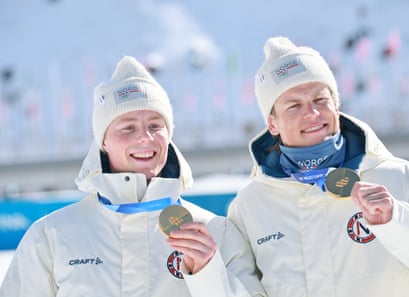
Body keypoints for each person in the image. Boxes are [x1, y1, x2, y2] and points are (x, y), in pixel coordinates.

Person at [0, 56, 265, 297]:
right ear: (103, 141)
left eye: (155, 126)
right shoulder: (51, 235)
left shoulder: (215, 231)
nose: (144, 138)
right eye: (128, 127)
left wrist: (207, 274)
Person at [227, 36, 409, 297]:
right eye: (294, 105)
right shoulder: (249, 206)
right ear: (272, 124)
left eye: (320, 99)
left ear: (336, 104)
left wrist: (395, 220)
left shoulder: (407, 179)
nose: (312, 114)